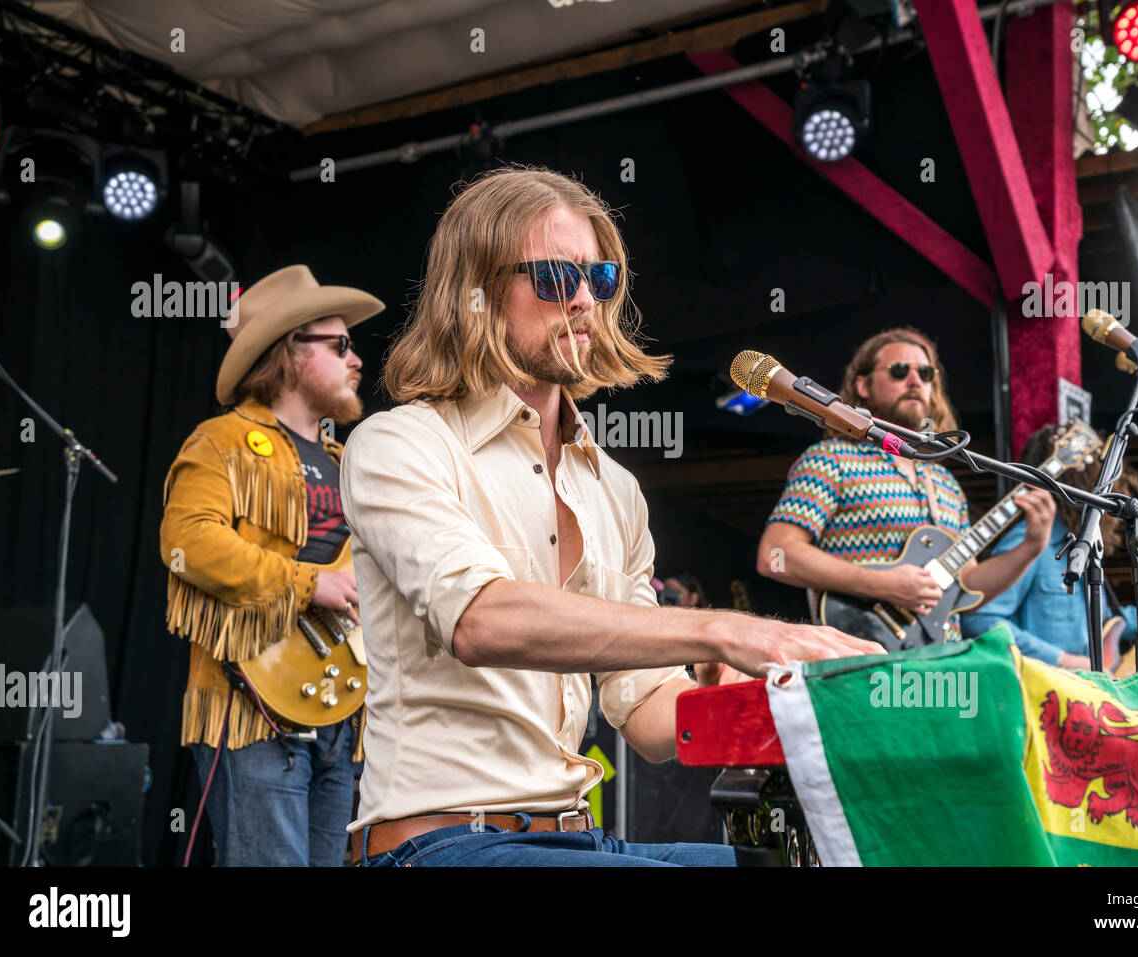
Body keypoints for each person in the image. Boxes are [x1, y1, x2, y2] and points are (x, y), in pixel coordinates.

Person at [340, 166, 884, 867]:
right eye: (553, 278)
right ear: (472, 291)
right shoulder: (397, 443)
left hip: (576, 836)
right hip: (438, 843)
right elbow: (481, 620)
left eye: (597, 280)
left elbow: (650, 714)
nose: (583, 302)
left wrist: (781, 696)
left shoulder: (616, 489)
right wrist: (725, 628)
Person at [159, 265, 383, 866]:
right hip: (253, 707)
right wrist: (310, 582)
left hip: (343, 710)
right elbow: (187, 542)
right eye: (339, 345)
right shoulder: (222, 441)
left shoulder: (351, 462)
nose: (355, 359)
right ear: (290, 353)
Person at [757, 327, 1056, 639]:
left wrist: (1031, 546)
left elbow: (967, 590)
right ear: (863, 385)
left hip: (939, 669)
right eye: (899, 371)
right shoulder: (830, 459)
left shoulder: (945, 484)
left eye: (926, 373)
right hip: (858, 655)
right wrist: (881, 584)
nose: (916, 381)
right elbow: (775, 555)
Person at [961, 423, 1138, 670]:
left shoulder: (1084, 543)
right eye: (1099, 469)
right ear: (1079, 476)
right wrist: (1063, 661)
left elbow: (1109, 624)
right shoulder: (1027, 539)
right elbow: (980, 620)